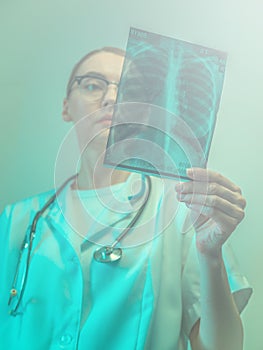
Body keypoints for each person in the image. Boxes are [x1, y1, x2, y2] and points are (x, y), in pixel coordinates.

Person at [0, 46, 252, 350]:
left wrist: (211, 256)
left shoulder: (182, 213)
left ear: (143, 112)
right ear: (67, 107)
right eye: (93, 84)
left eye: (128, 89)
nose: (110, 98)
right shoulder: (16, 220)